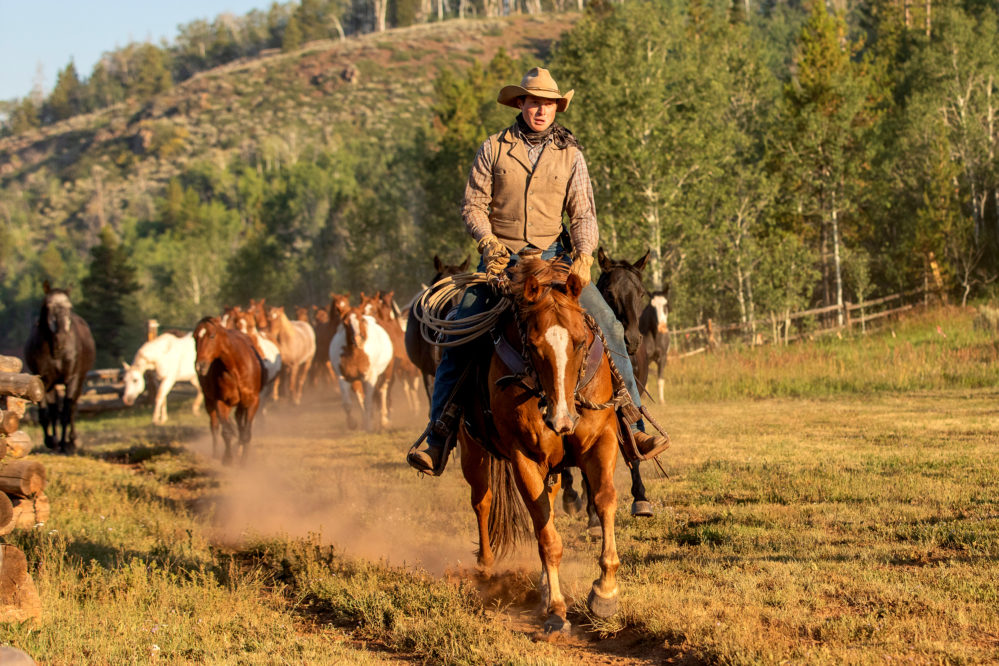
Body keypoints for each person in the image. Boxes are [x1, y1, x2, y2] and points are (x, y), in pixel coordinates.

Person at [407, 67, 668, 475]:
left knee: (611, 329)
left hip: (556, 261)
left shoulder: (571, 155)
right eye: (533, 101)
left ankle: (634, 425)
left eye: (548, 103)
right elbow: (473, 206)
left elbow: (583, 213)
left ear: (556, 107)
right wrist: (488, 243)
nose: (541, 109)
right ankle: (439, 435)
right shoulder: (493, 148)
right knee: (459, 334)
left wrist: (583, 254)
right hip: (500, 263)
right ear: (521, 104)